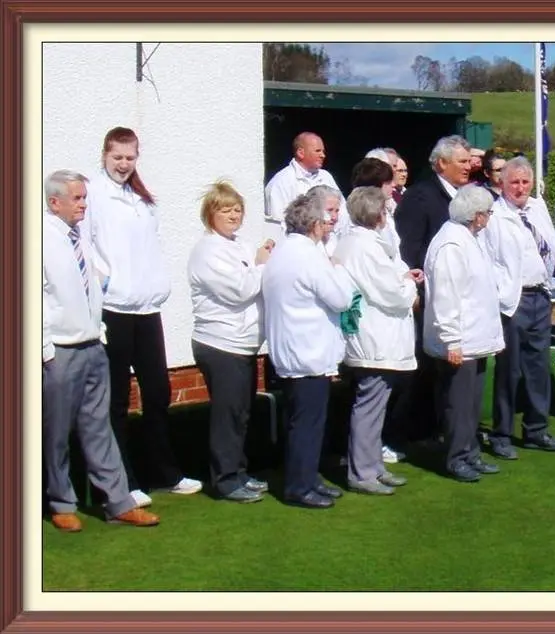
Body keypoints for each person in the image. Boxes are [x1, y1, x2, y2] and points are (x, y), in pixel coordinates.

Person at [84, 126, 201, 506]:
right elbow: (88, 249)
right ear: (104, 155)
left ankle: (164, 473)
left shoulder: (141, 197)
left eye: (130, 157)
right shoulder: (95, 195)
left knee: (158, 392)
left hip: (148, 308)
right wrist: (103, 286)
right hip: (114, 309)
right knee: (117, 399)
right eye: (117, 157)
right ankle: (124, 482)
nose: (123, 164)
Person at [42, 169, 160, 530]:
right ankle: (62, 502)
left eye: (84, 197)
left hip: (93, 344)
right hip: (60, 351)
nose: (83, 204)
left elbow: (89, 283)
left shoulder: (79, 237)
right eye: (76, 198)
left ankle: (117, 501)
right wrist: (44, 348)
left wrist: (100, 328)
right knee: (56, 431)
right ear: (54, 202)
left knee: (99, 427)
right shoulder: (40, 239)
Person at [262, 194, 354, 509]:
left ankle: (308, 477)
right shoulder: (308, 256)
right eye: (326, 219)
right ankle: (299, 486)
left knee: (304, 421)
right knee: (307, 423)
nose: (329, 223)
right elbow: (341, 299)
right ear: (314, 224)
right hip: (306, 351)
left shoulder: (286, 252)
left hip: (295, 349)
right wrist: (339, 268)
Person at [187, 181, 273, 503]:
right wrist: (262, 263)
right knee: (228, 416)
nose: (234, 215)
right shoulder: (207, 251)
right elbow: (240, 289)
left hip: (243, 343)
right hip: (220, 343)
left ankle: (238, 472)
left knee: (241, 413)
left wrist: (261, 260)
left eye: (237, 209)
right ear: (211, 213)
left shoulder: (238, 245)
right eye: (226, 210)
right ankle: (224, 481)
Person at [336, 186, 422, 495]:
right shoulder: (364, 247)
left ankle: (371, 465)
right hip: (375, 339)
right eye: (385, 211)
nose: (388, 216)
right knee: (369, 406)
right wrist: (409, 287)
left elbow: (394, 278)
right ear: (377, 215)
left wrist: (404, 279)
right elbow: (392, 293)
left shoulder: (365, 243)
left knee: (375, 405)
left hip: (378, 338)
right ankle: (362, 473)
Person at [481, 156, 555, 460]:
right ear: (501, 183)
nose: (520, 188)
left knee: (538, 367)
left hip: (540, 296)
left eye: (525, 182)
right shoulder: (494, 215)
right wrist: (501, 292)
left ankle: (536, 430)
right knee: (510, 370)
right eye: (514, 182)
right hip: (513, 301)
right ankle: (502, 433)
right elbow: (489, 259)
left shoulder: (538, 208)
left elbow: (552, 247)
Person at [422, 184, 505, 482]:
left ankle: (470, 452)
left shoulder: (469, 238)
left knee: (471, 403)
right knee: (457, 403)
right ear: (477, 216)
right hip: (461, 341)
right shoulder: (451, 245)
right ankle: (456, 457)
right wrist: (451, 340)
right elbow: (446, 296)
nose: (489, 219)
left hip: (476, 338)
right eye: (488, 214)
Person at [394, 135, 473, 444]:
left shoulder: (463, 196)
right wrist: (416, 291)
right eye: (462, 162)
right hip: (429, 299)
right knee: (426, 370)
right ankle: (413, 432)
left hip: (457, 298)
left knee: (446, 370)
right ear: (441, 163)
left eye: (469, 161)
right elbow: (410, 247)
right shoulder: (421, 197)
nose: (468, 167)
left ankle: (440, 428)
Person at [263, 132, 348, 244]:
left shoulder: (326, 177)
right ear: (300, 153)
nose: (323, 155)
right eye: (318, 151)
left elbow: (343, 213)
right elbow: (279, 224)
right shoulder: (281, 182)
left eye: (323, 151)